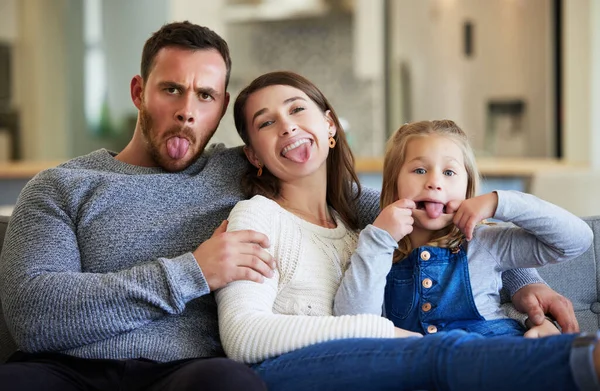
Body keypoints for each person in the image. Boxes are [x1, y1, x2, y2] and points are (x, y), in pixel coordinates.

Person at [0, 20, 582, 390]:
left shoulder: (248, 167)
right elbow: (33, 310)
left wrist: (516, 277)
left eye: (205, 96)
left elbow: (410, 209)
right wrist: (191, 272)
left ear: (220, 106)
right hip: (65, 370)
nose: (186, 111)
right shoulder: (63, 187)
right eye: (171, 89)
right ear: (138, 91)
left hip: (189, 372)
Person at [215, 70, 599, 391]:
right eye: (267, 122)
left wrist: (524, 281)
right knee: (445, 351)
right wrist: (392, 334)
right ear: (253, 155)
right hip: (321, 366)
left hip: (404, 358)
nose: (287, 126)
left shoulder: (360, 217)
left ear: (329, 124)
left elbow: (468, 240)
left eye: (297, 109)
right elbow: (245, 336)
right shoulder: (260, 216)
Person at [334, 120, 593, 338]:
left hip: (497, 356)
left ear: (468, 188)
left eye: (449, 172)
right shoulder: (379, 254)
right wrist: (380, 237)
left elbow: (577, 239)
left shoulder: (486, 243)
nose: (434, 182)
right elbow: (354, 322)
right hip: (427, 368)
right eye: (420, 170)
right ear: (393, 185)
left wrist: (498, 202)